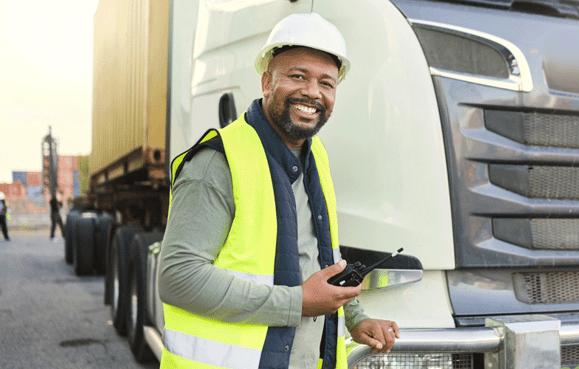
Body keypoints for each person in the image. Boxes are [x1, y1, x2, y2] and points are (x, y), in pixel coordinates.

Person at [158, 13, 399, 369]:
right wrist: (297, 303)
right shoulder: (217, 163)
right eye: (298, 76)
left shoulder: (316, 155)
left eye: (326, 83)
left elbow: (318, 257)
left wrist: (355, 317)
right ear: (267, 82)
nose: (312, 92)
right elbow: (178, 277)